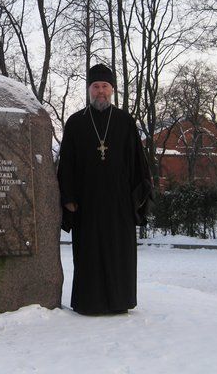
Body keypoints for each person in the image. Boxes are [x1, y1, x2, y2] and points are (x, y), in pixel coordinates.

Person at [57, 63, 153, 315]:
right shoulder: (76, 122)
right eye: (96, 86)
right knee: (88, 254)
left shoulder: (125, 121)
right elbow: (66, 163)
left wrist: (137, 199)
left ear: (112, 90)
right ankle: (90, 303)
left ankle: (120, 301)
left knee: (118, 253)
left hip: (119, 203)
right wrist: (68, 198)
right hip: (86, 203)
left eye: (105, 87)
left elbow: (137, 163)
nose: (100, 91)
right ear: (89, 89)